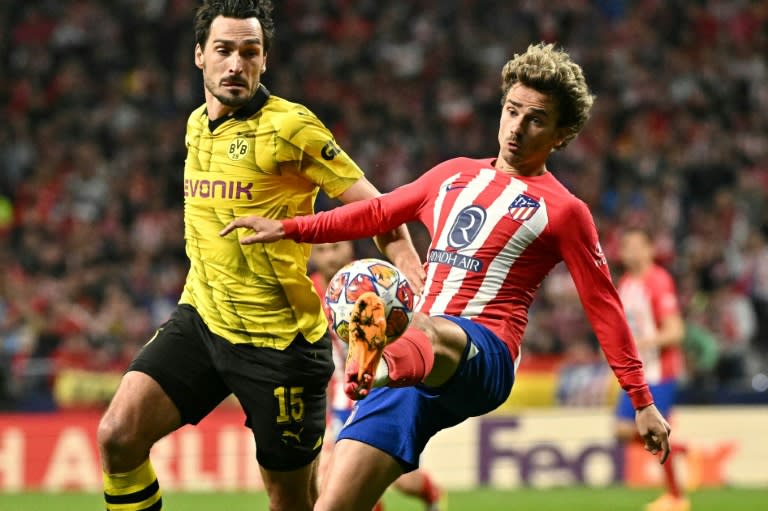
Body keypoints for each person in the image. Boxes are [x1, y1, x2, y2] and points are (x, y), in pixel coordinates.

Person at [220, 42, 672, 511]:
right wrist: (289, 228)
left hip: (483, 355)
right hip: (408, 372)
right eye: (511, 111)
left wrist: (641, 400)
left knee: (413, 321)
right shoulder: (452, 176)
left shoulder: (564, 212)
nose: (516, 128)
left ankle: (373, 360)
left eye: (535, 119)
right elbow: (375, 213)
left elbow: (604, 305)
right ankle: (381, 363)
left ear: (562, 134)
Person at [96, 2, 422, 511]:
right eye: (223, 51)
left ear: (264, 60)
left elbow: (377, 209)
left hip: (280, 350)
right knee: (117, 435)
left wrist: (409, 268)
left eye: (250, 52)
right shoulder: (195, 126)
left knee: (290, 502)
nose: (236, 64)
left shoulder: (291, 127)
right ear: (199, 56)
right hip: (202, 321)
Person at [310, 241, 444, 511]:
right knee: (337, 482)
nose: (329, 257)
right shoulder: (309, 293)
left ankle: (432, 497)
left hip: (385, 390)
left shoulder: (376, 282)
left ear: (350, 247)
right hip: (343, 399)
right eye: (321, 250)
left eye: (335, 247)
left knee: (404, 483)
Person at [616, 228, 689, 511]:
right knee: (622, 431)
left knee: (648, 430)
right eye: (626, 246)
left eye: (637, 245)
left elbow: (676, 331)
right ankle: (679, 452)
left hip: (660, 372)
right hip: (637, 374)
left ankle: (675, 497)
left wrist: (641, 343)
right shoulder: (625, 283)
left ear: (650, 249)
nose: (631, 251)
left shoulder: (658, 281)